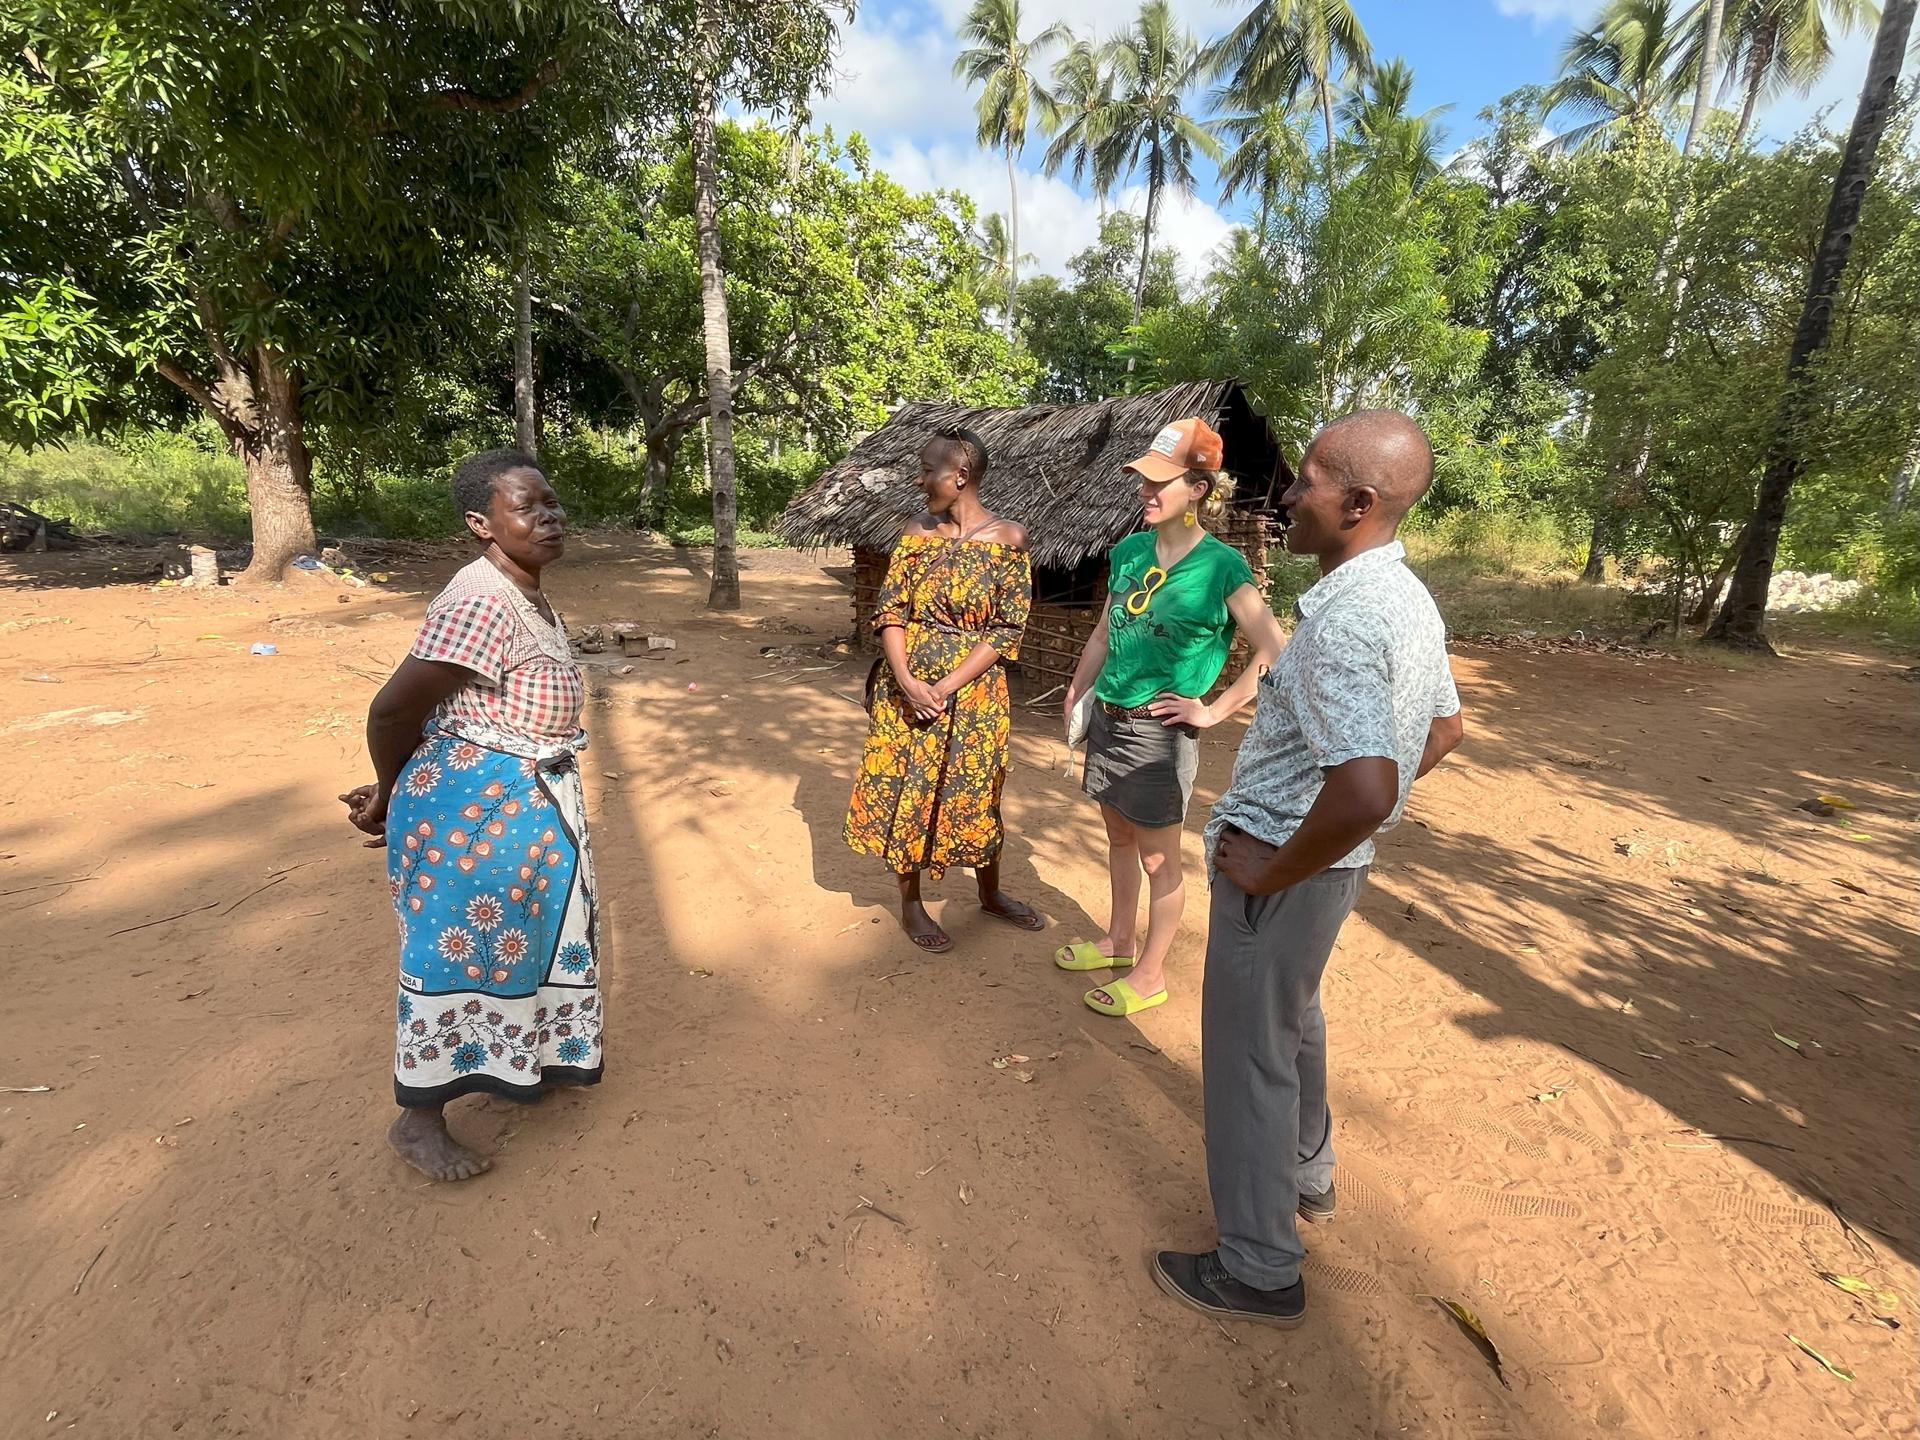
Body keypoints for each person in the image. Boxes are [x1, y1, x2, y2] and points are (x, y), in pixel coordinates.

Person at [1151, 410, 1465, 1329]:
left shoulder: (1342, 623)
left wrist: (1279, 863)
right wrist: (1328, 843)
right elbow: (1442, 729)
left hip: (1286, 873)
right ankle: (1310, 1174)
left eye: (1309, 481)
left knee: (1252, 1058)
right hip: (1328, 869)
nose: (1287, 494)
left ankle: (1257, 1267)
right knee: (1297, 1021)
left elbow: (1366, 788)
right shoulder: (1406, 599)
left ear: (1360, 504)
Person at [340, 449, 601, 1183]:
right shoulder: (480, 600)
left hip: (522, 805)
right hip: (474, 813)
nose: (550, 516)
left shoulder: (525, 593)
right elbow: (393, 708)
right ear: (481, 523)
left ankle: (527, 1064)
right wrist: (389, 791)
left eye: (552, 502)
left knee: (522, 944)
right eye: (529, 506)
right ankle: (418, 1122)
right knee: (457, 956)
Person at [1056, 417, 1286, 1018]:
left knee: (1160, 860)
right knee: (1117, 838)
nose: (1147, 492)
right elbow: (1107, 631)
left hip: (1158, 735)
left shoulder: (1221, 567)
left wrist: (1213, 710)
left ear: (1199, 490)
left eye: (1163, 482)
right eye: (1143, 480)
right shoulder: (1130, 551)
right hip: (1109, 717)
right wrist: (1078, 688)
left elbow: (1276, 649)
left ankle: (1150, 973)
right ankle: (1118, 940)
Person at [844, 425, 1040, 953]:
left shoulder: (1010, 540)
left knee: (978, 790)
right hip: (904, 692)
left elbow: (1006, 629)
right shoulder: (916, 533)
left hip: (974, 698)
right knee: (907, 788)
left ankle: (990, 893)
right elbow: (890, 611)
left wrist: (946, 685)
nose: (920, 478)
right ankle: (911, 904)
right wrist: (908, 681)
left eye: (928, 469)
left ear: (961, 474)